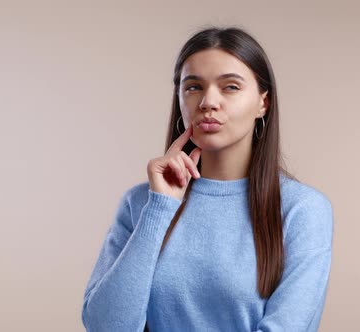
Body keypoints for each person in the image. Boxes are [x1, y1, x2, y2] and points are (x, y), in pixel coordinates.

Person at [81, 26, 334, 332]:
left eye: (230, 87)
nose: (208, 102)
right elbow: (106, 326)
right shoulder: (141, 204)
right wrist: (160, 208)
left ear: (263, 104)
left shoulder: (302, 209)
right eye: (193, 87)